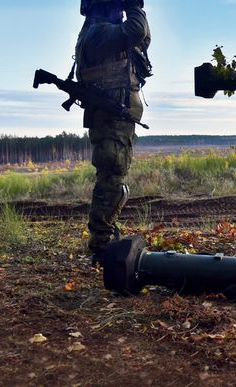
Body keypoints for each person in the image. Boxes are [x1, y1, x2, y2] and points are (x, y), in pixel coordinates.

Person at [75, 0, 151, 264]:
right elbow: (137, 29)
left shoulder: (105, 34)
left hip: (115, 120)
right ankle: (101, 245)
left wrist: (135, 8)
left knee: (113, 178)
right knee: (111, 180)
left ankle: (103, 238)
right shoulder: (98, 34)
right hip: (109, 121)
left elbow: (142, 38)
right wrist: (134, 6)